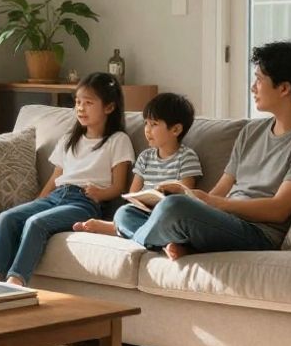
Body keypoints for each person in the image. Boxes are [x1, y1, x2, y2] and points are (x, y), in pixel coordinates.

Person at [122, 40, 291, 260]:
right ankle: (172, 242)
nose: (253, 87)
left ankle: (157, 238)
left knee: (173, 209)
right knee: (127, 213)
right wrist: (193, 198)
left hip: (259, 233)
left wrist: (207, 202)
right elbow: (223, 188)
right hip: (222, 221)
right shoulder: (252, 131)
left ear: (284, 88)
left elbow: (279, 209)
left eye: (259, 79)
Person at [0, 72, 134, 286]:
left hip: (84, 202)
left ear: (109, 107)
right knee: (7, 218)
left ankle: (15, 282)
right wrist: (37, 202)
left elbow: (119, 187)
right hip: (56, 197)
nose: (80, 108)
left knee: (36, 223)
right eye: (78, 102)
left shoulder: (118, 140)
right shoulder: (68, 139)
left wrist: (100, 193)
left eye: (88, 103)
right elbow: (55, 178)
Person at [73, 92, 202, 238]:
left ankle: (119, 230)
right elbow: (132, 194)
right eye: (146, 123)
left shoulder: (187, 157)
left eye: (154, 124)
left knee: (170, 216)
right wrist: (142, 201)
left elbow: (185, 197)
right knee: (124, 212)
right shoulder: (145, 157)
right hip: (142, 212)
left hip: (167, 215)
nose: (147, 129)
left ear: (176, 130)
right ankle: (146, 235)